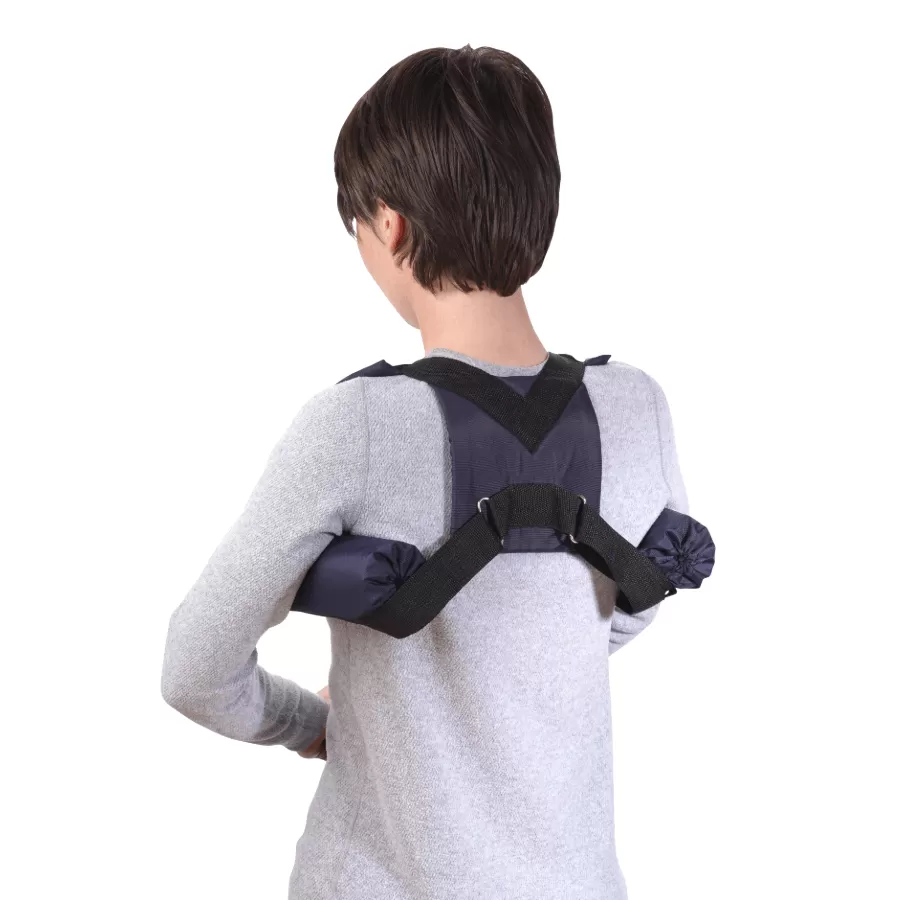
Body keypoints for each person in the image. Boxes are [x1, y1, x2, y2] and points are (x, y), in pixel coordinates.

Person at [161, 43, 690, 900]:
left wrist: (314, 723)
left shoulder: (357, 426)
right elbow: (628, 608)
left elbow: (195, 668)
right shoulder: (636, 408)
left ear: (390, 225)